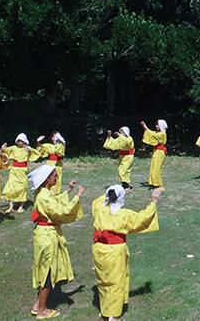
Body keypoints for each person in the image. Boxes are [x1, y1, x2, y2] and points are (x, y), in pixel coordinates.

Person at [91, 184, 163, 321]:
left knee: (103, 280)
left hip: (98, 248)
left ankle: (105, 309)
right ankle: (113, 315)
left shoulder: (99, 208)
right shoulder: (124, 215)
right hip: (115, 250)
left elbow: (99, 200)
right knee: (115, 282)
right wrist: (154, 201)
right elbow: (143, 218)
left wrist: (118, 192)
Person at [29, 164, 84, 319]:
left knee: (44, 268)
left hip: (44, 233)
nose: (56, 177)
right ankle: (42, 310)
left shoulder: (44, 193)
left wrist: (68, 190)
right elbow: (61, 211)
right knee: (48, 270)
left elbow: (55, 200)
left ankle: (37, 305)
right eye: (54, 175)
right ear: (47, 179)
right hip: (47, 236)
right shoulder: (44, 196)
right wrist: (77, 196)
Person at [3, 133, 39, 213]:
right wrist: (3, 148)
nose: (19, 142)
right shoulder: (13, 148)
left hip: (23, 170)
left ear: (24, 142)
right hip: (14, 170)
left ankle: (21, 206)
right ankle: (11, 206)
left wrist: (30, 149)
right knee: (11, 186)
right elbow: (5, 151)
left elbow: (36, 154)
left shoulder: (27, 149)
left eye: (21, 141)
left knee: (22, 187)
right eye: (18, 140)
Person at [139, 119, 168, 188]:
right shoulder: (158, 133)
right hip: (156, 151)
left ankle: (157, 184)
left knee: (157, 168)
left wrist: (144, 126)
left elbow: (152, 134)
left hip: (160, 152)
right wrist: (144, 127)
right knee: (153, 166)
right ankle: (153, 182)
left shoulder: (162, 134)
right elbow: (151, 133)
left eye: (158, 124)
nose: (156, 126)